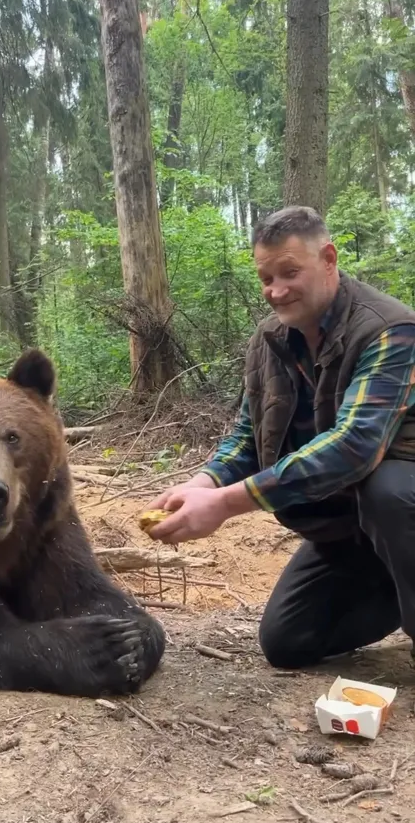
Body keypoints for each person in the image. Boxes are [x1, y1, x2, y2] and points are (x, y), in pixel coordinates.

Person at [147, 205, 415, 670]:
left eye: (290, 272)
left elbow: (354, 446)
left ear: (328, 259)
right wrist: (205, 483)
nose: (276, 290)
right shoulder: (269, 340)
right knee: (288, 642)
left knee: (388, 490)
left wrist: (228, 503)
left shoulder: (391, 330)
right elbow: (249, 437)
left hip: (395, 506)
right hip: (346, 528)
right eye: (266, 278)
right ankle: (401, 588)